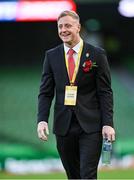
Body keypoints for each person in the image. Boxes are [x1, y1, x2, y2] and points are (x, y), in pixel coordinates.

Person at [37, 10, 115, 179]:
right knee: (73, 176)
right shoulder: (51, 56)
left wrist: (108, 123)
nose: (63, 30)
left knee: (87, 175)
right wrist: (42, 119)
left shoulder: (97, 54)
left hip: (91, 127)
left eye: (67, 25)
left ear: (78, 27)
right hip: (63, 127)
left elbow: (105, 92)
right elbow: (45, 92)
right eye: (60, 26)